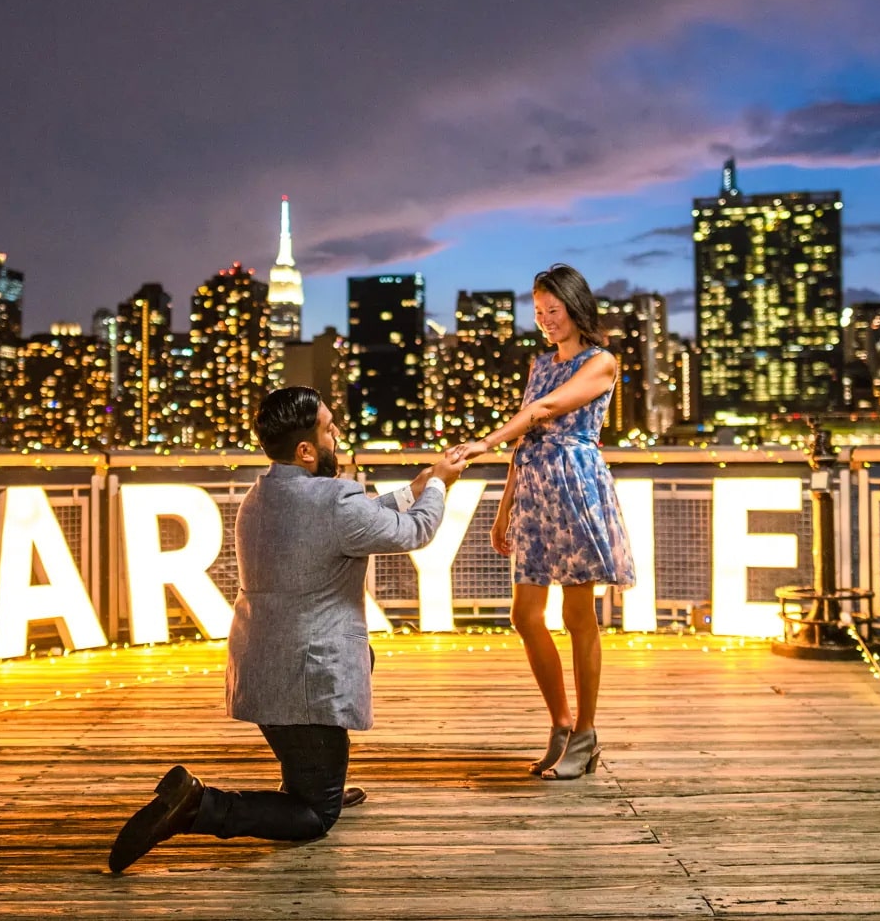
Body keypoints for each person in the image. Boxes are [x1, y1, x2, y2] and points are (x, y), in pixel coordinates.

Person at [108, 386, 469, 873]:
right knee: (316, 815)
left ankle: (313, 778)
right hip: (310, 677)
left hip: (262, 666)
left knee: (358, 665)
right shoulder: (336, 500)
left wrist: (413, 490)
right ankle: (198, 805)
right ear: (305, 450)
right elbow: (415, 533)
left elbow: (355, 518)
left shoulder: (260, 496)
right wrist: (443, 485)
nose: (336, 434)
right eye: (327, 428)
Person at [448, 264, 635, 780]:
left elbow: (547, 409)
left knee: (579, 617)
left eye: (554, 311)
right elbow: (531, 429)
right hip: (534, 487)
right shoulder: (540, 363)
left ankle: (587, 734)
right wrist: (505, 506)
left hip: (575, 485)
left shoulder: (601, 363)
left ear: (576, 309)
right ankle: (561, 722)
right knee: (525, 614)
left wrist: (486, 440)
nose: (547, 320)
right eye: (539, 312)